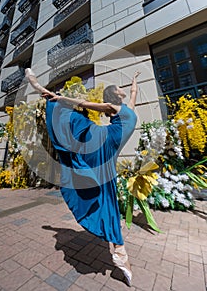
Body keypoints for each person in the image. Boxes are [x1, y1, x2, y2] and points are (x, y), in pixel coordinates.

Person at [26, 68, 140, 287]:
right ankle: (45, 92)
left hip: (108, 152)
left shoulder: (128, 108)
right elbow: (86, 104)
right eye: (119, 88)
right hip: (104, 141)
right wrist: (60, 97)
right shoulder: (114, 107)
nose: (123, 89)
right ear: (113, 96)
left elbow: (134, 93)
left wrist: (135, 80)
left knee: (108, 196)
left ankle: (119, 250)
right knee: (75, 120)